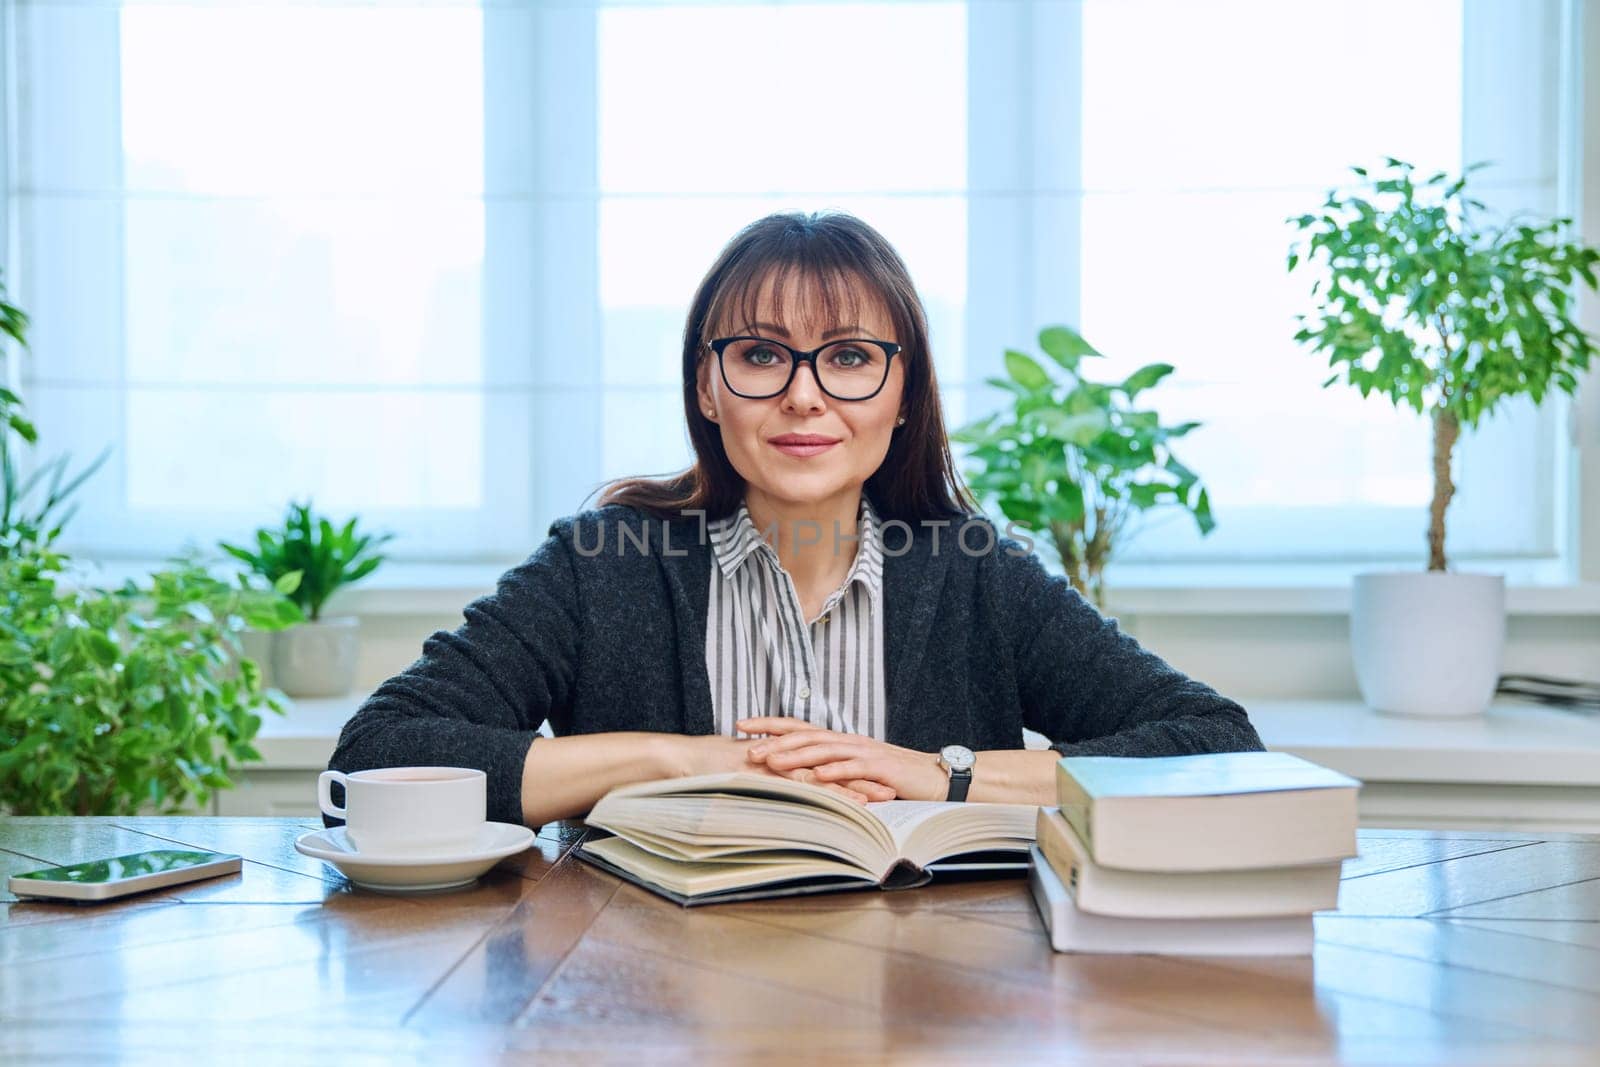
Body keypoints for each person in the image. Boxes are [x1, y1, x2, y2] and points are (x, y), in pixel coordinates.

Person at [325, 211, 1263, 831]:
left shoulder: (978, 574)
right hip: (641, 1002)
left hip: (932, 1000)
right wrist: (677, 759)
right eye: (764, 354)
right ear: (708, 385)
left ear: (902, 394)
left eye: (849, 357)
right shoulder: (601, 561)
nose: (805, 397)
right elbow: (379, 755)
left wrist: (939, 775)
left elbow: (1212, 747)